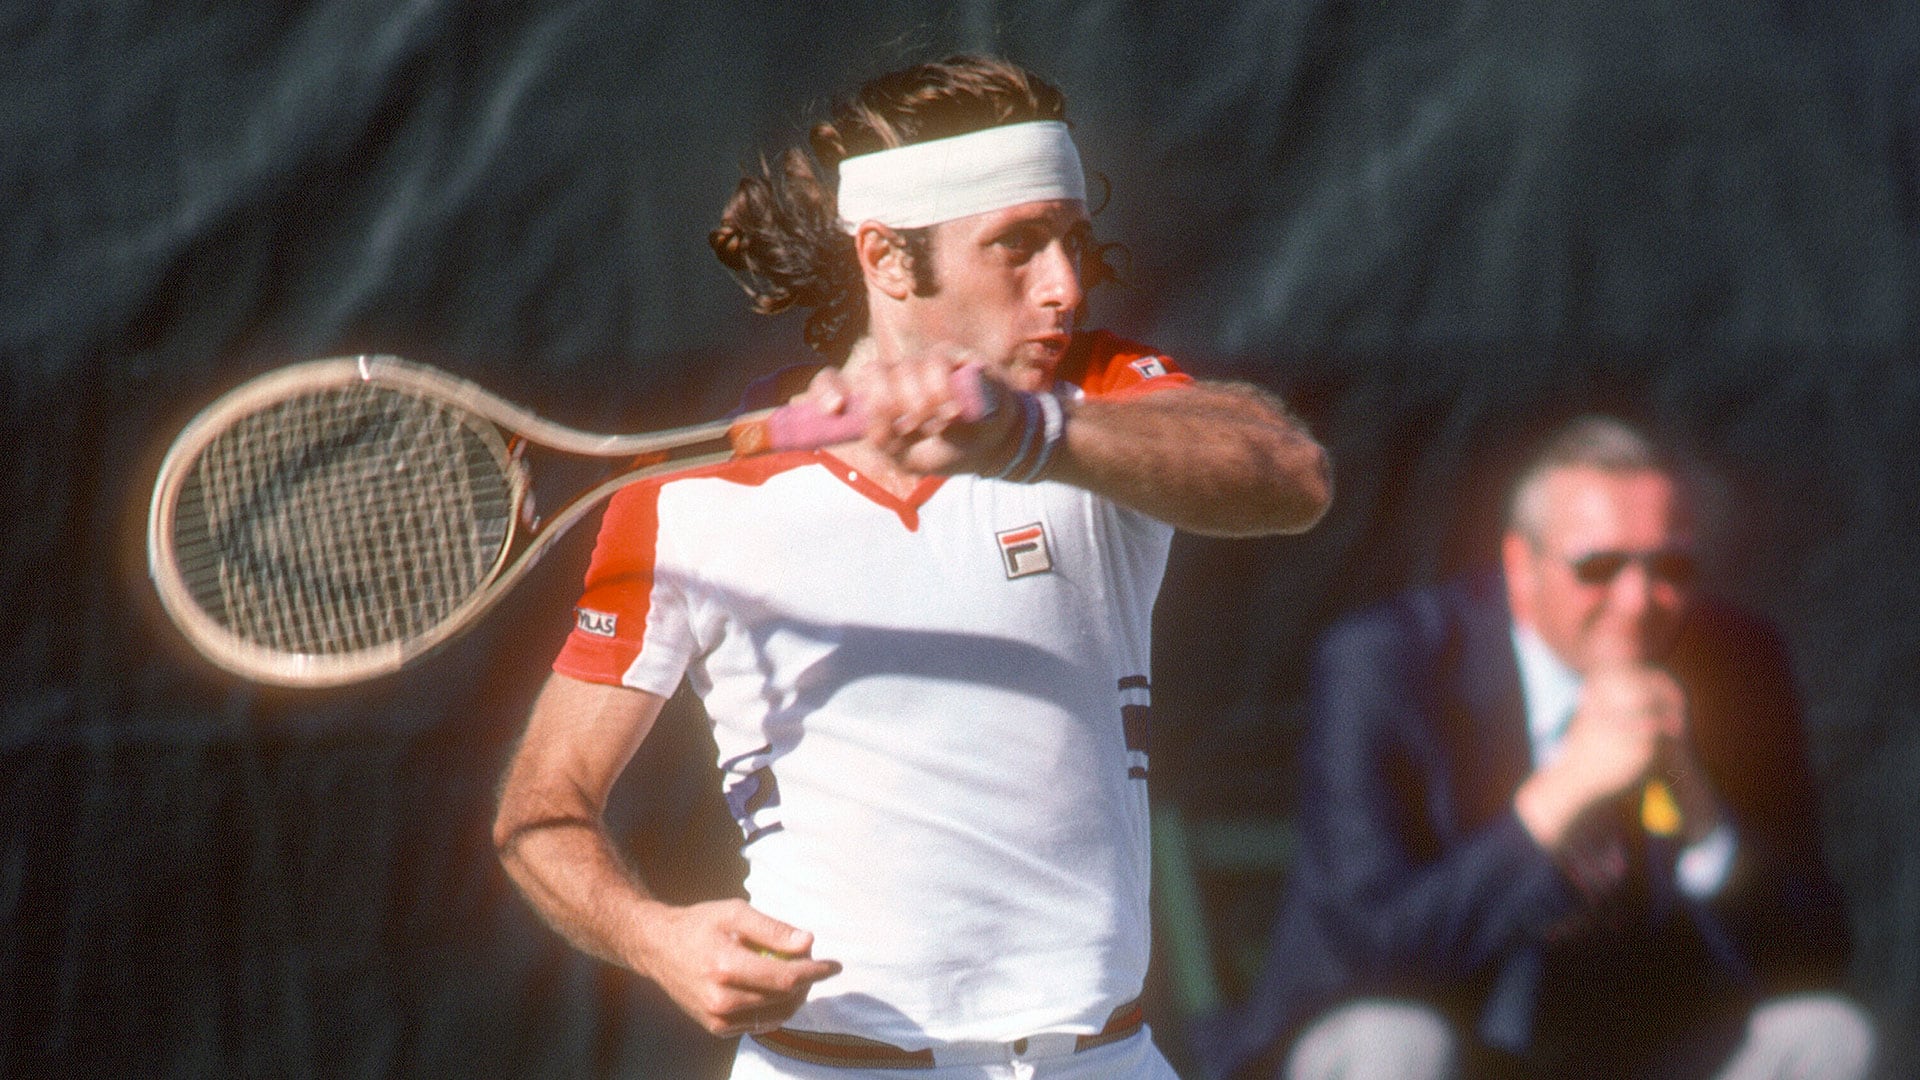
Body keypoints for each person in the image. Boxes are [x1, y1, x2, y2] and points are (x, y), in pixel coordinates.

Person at [492, 54, 1332, 1080]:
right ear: (888, 259)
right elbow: (541, 812)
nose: (1064, 287)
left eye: (1071, 242)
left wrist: (1030, 434)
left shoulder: (1093, 406)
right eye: (1016, 246)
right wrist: (656, 937)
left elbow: (1289, 472)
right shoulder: (686, 502)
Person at [1197, 416, 1873, 1080]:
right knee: (1392, 1043)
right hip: (1448, 1036)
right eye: (1598, 567)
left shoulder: (1738, 664)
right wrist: (1561, 797)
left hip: (1642, 1047)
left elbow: (1815, 954)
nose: (1638, 601)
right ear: (1522, 567)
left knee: (1823, 1036)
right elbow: (1376, 951)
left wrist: (1700, 812)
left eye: (1670, 566)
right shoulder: (1385, 663)